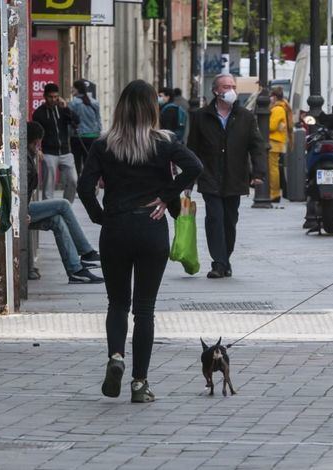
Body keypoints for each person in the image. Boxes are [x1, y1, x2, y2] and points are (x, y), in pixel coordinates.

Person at [78, 80, 203, 403]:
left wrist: (100, 216)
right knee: (145, 309)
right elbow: (195, 166)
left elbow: (84, 188)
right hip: (151, 226)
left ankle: (116, 355)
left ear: (120, 108)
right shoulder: (164, 142)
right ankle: (139, 383)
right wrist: (165, 196)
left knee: (118, 303)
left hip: (116, 227)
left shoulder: (104, 145)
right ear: (152, 109)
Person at [187, 73, 267, 279]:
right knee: (214, 218)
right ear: (216, 91)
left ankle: (225, 259)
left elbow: (257, 146)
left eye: (233, 86)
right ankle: (218, 263)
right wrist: (188, 181)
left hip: (235, 177)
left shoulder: (245, 117)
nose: (231, 90)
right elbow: (192, 150)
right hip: (210, 176)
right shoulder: (200, 116)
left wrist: (258, 173)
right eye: (226, 86)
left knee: (230, 221)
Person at [26, 121, 104, 284]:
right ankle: (86, 251)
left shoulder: (28, 156)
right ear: (35, 141)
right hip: (22, 211)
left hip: (24, 209)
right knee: (63, 205)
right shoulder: (25, 160)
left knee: (57, 221)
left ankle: (75, 270)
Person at [33, 83, 80, 202]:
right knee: (48, 185)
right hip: (49, 153)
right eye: (50, 97)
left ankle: (66, 206)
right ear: (44, 96)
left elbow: (76, 121)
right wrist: (37, 150)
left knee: (73, 180)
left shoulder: (63, 110)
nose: (53, 99)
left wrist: (66, 108)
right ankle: (48, 211)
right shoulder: (39, 113)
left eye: (55, 97)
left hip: (65, 152)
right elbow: (36, 134)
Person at [68, 80, 102, 176]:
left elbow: (70, 122)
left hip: (77, 137)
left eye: (73, 88)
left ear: (77, 89)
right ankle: (91, 182)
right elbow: (98, 120)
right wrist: (98, 133)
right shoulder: (95, 102)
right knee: (89, 162)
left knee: (77, 163)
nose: (71, 89)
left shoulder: (73, 104)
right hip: (93, 136)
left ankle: (78, 182)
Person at [268, 87, 291, 202]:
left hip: (274, 141)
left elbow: (271, 126)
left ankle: (274, 193)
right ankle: (274, 192)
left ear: (275, 97)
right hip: (277, 141)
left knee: (273, 169)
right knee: (274, 168)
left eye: (271, 96)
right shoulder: (282, 107)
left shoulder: (277, 109)